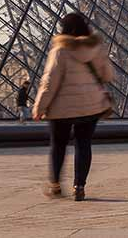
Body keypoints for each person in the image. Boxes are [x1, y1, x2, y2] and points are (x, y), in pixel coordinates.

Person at [33, 12, 115, 202]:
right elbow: (108, 75)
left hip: (62, 108)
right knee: (83, 144)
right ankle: (79, 186)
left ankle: (55, 185)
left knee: (58, 145)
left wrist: (39, 107)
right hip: (91, 105)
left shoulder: (60, 50)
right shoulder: (97, 49)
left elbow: (49, 82)